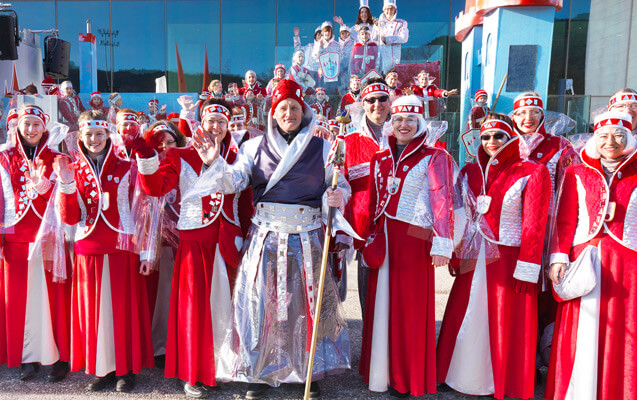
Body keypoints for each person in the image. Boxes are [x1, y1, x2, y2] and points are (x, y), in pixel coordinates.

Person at [184, 79, 351, 399]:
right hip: (266, 237)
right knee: (259, 305)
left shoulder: (323, 147)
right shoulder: (254, 147)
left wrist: (337, 195)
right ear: (273, 113)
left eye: (295, 108)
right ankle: (257, 373)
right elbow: (232, 182)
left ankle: (307, 372)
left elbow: (340, 185)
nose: (289, 113)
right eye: (283, 108)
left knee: (305, 305)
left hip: (306, 238)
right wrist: (213, 163)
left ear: (304, 112)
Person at [134, 99, 252, 398]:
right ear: (201, 122)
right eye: (210, 120)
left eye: (221, 122)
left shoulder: (241, 155)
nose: (215, 127)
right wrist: (146, 154)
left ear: (228, 127)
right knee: (194, 309)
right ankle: (193, 371)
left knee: (226, 308)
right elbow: (155, 188)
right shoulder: (180, 154)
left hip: (228, 241)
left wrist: (248, 239)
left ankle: (223, 366)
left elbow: (246, 202)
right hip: (194, 242)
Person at [436, 112, 551, 400]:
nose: (491, 142)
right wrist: (456, 253)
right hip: (474, 255)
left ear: (510, 137)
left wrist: (528, 266)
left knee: (504, 317)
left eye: (498, 135)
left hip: (510, 259)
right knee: (464, 311)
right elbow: (458, 216)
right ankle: (457, 374)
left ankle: (501, 378)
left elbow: (535, 224)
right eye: (485, 136)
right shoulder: (470, 172)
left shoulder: (533, 171)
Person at [358, 95, 456, 397]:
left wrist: (442, 242)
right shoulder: (380, 157)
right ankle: (381, 372)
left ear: (420, 123)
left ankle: (406, 375)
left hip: (416, 241)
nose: (403, 125)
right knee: (382, 305)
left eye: (410, 119)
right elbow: (372, 200)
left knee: (409, 307)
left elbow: (443, 201)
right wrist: (364, 235)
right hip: (385, 237)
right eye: (398, 119)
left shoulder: (435, 155)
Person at [53, 109, 154, 392]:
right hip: (88, 247)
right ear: (80, 137)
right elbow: (70, 218)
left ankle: (126, 369)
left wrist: (146, 253)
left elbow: (143, 211)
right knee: (94, 313)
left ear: (108, 134)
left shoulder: (126, 165)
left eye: (99, 133)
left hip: (123, 246)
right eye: (89, 135)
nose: (94, 139)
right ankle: (102, 368)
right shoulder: (71, 167)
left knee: (123, 312)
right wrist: (66, 184)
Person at [546, 111, 637, 400]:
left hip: (629, 266)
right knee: (583, 329)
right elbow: (564, 219)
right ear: (594, 139)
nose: (611, 142)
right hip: (586, 260)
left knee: (624, 331)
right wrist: (558, 258)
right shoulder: (577, 171)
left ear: (630, 138)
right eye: (604, 136)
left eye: (619, 136)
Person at [0, 104, 72, 382]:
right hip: (15, 237)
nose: (30, 130)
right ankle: (25, 357)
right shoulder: (4, 157)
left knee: (56, 299)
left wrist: (43, 187)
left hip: (50, 236)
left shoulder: (59, 158)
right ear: (18, 126)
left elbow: (66, 201)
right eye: (26, 124)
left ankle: (60, 356)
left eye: (36, 125)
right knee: (19, 300)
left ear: (45, 128)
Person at [140, 120, 187, 369]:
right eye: (159, 144)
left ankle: (177, 342)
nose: (165, 148)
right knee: (159, 295)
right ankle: (159, 344)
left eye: (170, 142)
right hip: (154, 242)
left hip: (183, 238)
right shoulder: (144, 167)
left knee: (178, 294)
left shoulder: (185, 163)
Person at [372, 0, 409, 74]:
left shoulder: (401, 23)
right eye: (387, 9)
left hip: (393, 62)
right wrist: (376, 28)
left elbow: (404, 38)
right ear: (384, 10)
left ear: (395, 10)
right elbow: (373, 40)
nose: (389, 11)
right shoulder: (378, 23)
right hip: (380, 62)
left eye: (391, 8)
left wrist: (387, 39)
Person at [312, 21, 343, 94]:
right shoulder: (318, 43)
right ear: (322, 32)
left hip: (334, 72)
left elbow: (341, 57)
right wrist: (320, 47)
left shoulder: (336, 44)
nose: (327, 33)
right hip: (323, 72)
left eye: (329, 31)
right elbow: (315, 57)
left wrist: (334, 58)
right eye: (325, 31)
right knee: (324, 92)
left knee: (334, 92)